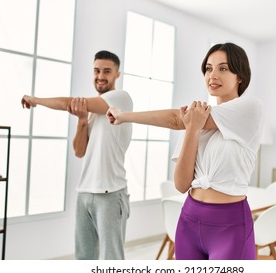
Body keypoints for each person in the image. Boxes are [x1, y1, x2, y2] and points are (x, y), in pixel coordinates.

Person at [107, 42, 263, 260]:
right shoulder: (194, 119)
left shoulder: (250, 108)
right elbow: (181, 184)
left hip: (230, 225)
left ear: (240, 77)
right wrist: (192, 130)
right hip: (189, 220)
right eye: (208, 68)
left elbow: (174, 119)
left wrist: (124, 116)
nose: (213, 75)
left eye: (223, 68)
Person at [21, 50, 133, 260]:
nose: (100, 76)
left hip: (110, 193)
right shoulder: (90, 108)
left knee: (112, 259)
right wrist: (82, 119)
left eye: (107, 71)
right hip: (84, 192)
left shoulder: (121, 99)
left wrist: (35, 100)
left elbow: (67, 103)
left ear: (117, 74)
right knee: (84, 257)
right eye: (96, 70)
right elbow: (79, 151)